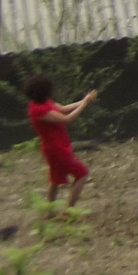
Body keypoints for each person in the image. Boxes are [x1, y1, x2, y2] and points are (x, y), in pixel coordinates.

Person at [24, 75, 98, 208]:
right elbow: (66, 118)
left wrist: (84, 101)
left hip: (56, 147)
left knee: (55, 179)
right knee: (82, 174)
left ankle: (49, 211)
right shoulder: (38, 110)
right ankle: (68, 211)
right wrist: (85, 103)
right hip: (57, 149)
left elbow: (63, 108)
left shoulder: (42, 103)